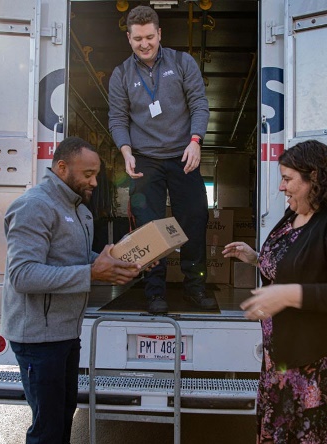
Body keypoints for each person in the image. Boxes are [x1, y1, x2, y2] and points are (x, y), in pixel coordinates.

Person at [223, 140, 327, 443]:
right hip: (286, 358)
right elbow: (299, 263)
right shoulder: (294, 215)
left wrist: (288, 295)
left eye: (287, 179)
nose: (281, 188)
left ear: (314, 177)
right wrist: (256, 258)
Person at [1, 136, 142, 443]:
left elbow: (75, 260)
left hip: (66, 333)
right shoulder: (34, 206)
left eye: (96, 175)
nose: (94, 182)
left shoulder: (80, 209)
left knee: (63, 416)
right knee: (47, 429)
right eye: (88, 174)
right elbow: (22, 275)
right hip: (38, 338)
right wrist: (93, 272)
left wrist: (116, 263)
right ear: (62, 167)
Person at [108, 5, 215, 314]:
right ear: (129, 37)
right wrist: (126, 151)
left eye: (150, 37)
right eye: (138, 38)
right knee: (149, 228)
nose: (145, 44)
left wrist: (196, 141)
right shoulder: (121, 75)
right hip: (145, 159)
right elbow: (117, 119)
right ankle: (155, 292)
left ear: (160, 34)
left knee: (195, 218)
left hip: (183, 155)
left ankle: (195, 285)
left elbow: (199, 104)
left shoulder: (182, 63)